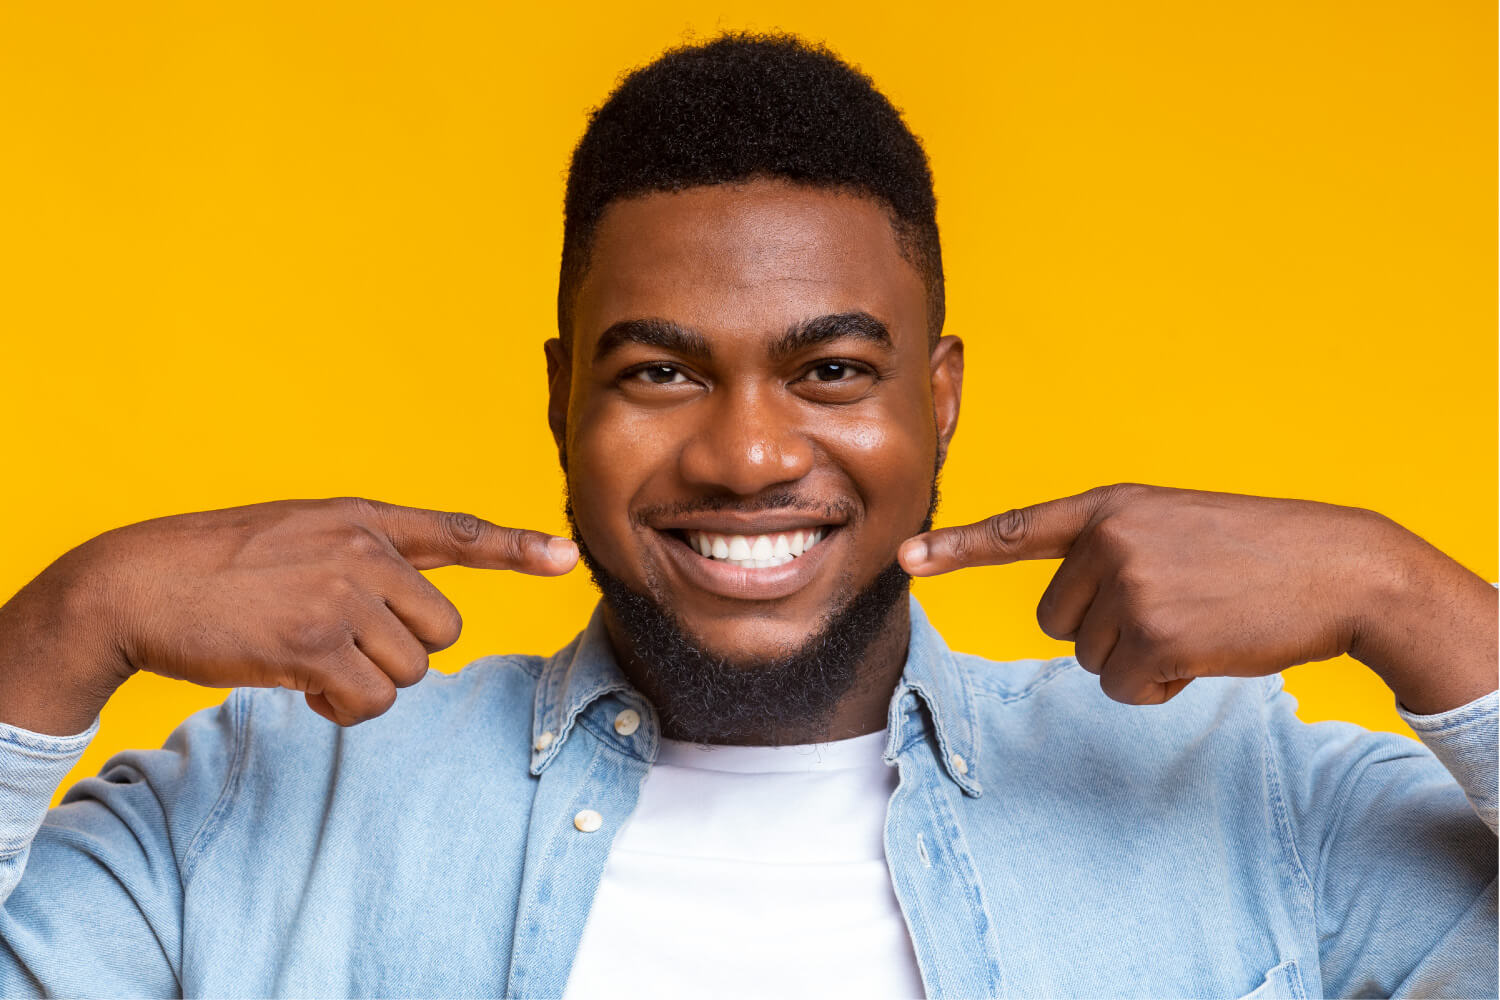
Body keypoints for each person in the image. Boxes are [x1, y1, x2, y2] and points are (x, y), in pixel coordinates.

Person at [0, 32, 1494, 1000]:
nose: (747, 453)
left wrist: (1410, 599)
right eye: (659, 371)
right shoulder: (259, 808)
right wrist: (71, 621)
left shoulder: (1244, 803)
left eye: (831, 369)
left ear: (943, 396)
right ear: (559, 398)